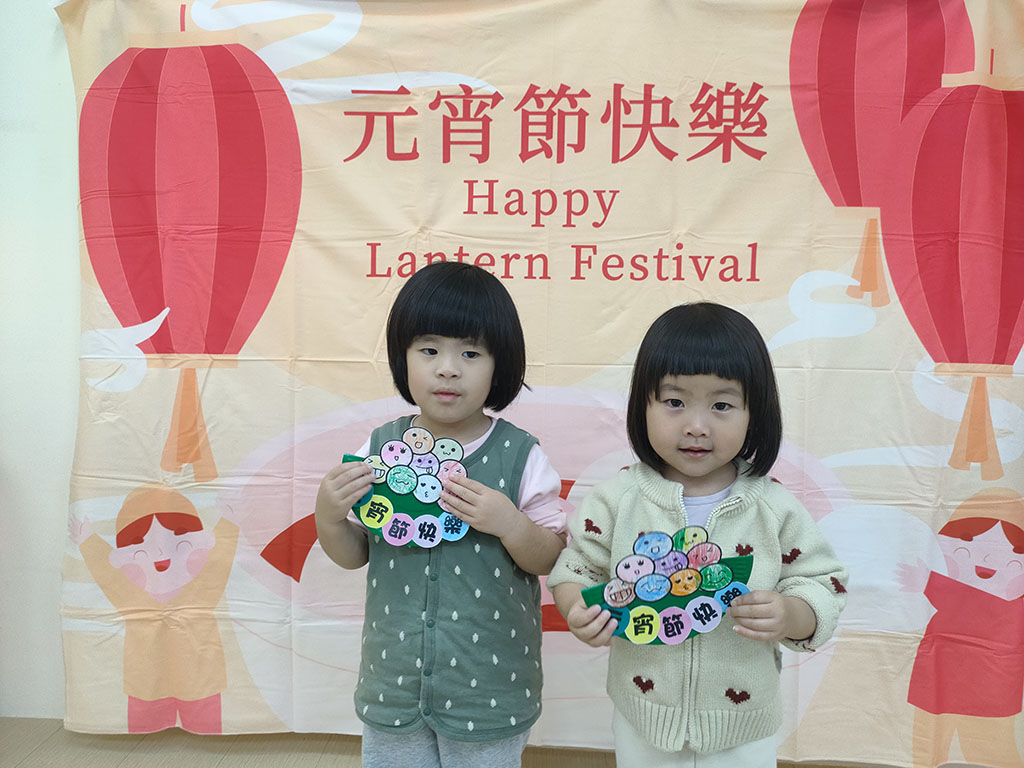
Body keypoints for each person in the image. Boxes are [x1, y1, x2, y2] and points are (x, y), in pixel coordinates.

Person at [547, 302, 847, 768]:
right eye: (674, 402)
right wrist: (577, 608)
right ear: (643, 405)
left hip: (743, 723)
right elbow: (575, 568)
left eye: (722, 405)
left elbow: (823, 582)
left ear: (754, 413)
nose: (696, 426)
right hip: (642, 714)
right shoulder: (617, 499)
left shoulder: (774, 507)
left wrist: (792, 613)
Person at [314, 262, 566, 768]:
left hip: (489, 687)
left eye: (470, 353)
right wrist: (329, 516)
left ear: (499, 364)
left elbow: (550, 557)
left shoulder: (522, 455)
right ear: (402, 357)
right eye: (428, 350)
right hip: (393, 682)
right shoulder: (380, 450)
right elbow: (355, 554)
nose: (448, 369)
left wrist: (510, 524)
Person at [898, 487, 1024, 768]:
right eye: (967, 540)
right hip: (939, 677)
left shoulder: (1014, 608)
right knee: (925, 751)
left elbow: (983, 606)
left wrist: (930, 582)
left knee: (988, 752)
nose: (987, 559)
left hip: (990, 687)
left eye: (1016, 550)